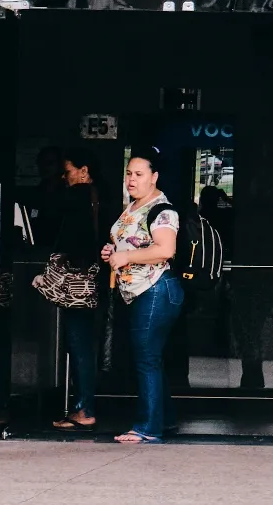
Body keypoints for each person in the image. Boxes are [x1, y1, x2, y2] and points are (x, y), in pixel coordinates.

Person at [101, 150, 184, 444]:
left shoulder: (161, 210)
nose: (131, 179)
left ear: (154, 177)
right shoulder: (134, 206)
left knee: (147, 359)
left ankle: (148, 427)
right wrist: (113, 253)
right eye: (128, 173)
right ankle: (166, 420)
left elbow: (165, 250)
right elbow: (127, 242)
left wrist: (126, 256)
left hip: (156, 289)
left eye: (138, 174)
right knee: (152, 358)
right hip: (140, 292)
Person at [46, 145, 103, 431]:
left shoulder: (77, 196)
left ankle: (84, 407)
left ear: (84, 171)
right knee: (83, 344)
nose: (64, 177)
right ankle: (84, 404)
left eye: (67, 172)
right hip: (93, 279)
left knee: (78, 343)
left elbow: (53, 217)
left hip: (76, 281)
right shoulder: (97, 198)